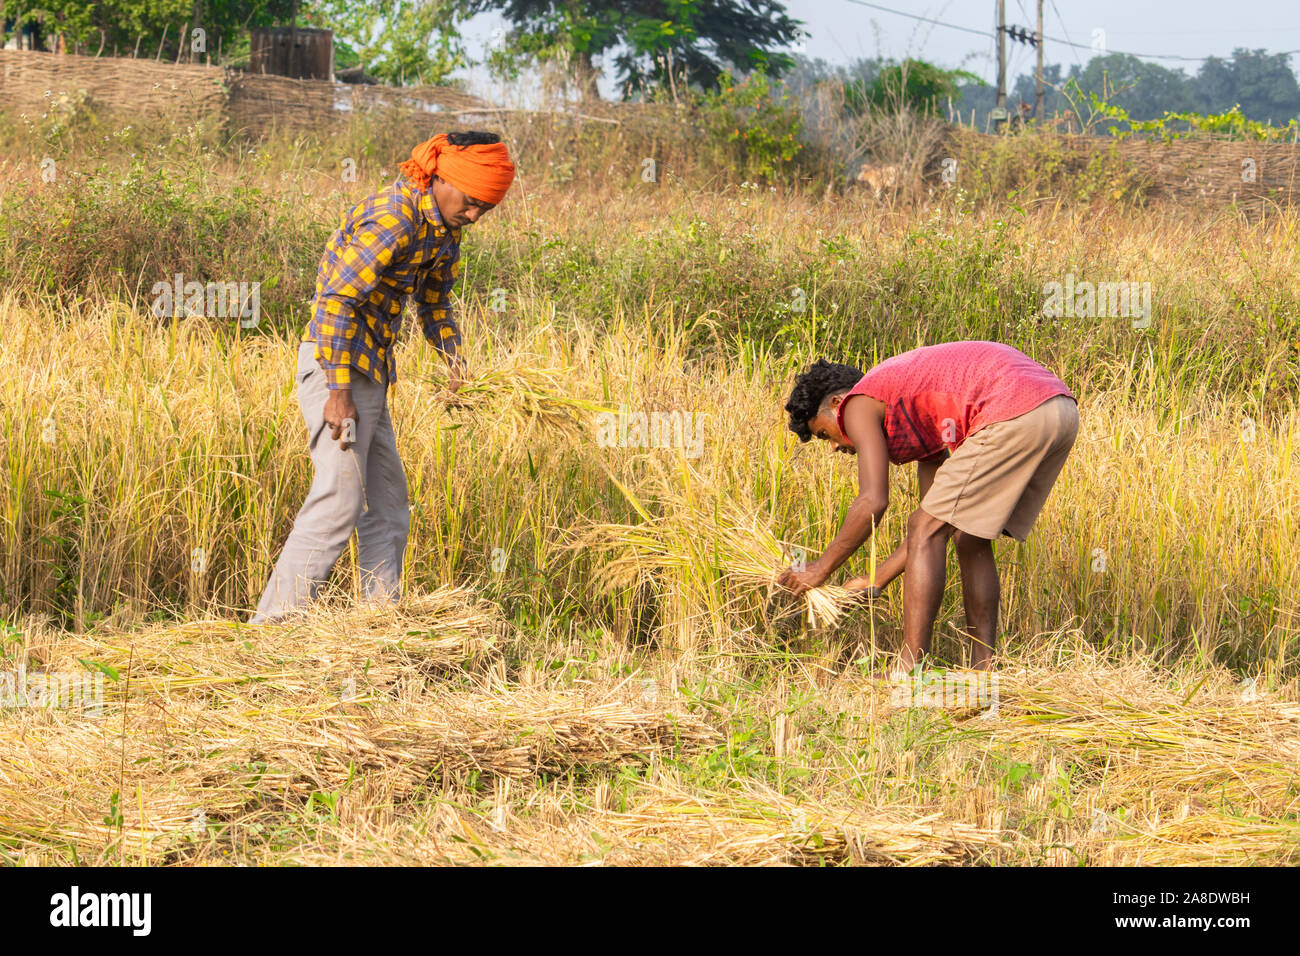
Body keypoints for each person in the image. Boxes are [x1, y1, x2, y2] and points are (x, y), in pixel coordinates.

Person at [248, 131, 515, 624]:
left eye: (486, 209)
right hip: (338, 368)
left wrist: (456, 364)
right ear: (443, 179)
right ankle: (273, 627)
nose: (474, 216)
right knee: (339, 499)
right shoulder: (394, 218)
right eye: (472, 202)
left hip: (369, 375)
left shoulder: (444, 230)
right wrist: (338, 391)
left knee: (388, 503)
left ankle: (378, 623)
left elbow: (433, 302)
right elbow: (335, 300)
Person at [777, 341, 1079, 673]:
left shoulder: (857, 403)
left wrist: (820, 568)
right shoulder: (917, 420)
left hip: (1014, 408)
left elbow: (873, 501)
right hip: (1058, 410)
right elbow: (937, 528)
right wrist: (873, 580)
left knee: (926, 526)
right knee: (967, 535)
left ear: (837, 403)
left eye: (824, 434)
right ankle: (982, 674)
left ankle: (909, 671)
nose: (834, 446)